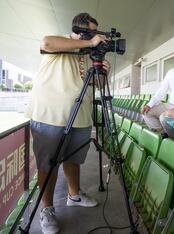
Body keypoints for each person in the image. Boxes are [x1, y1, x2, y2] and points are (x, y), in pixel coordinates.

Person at [25, 13, 111, 234]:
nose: (97, 38)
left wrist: (102, 72)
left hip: (79, 116)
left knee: (73, 159)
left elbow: (95, 85)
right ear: (80, 31)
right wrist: (89, 42)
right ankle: (47, 209)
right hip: (50, 114)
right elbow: (46, 42)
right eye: (92, 32)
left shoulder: (87, 55)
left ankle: (74, 195)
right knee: (48, 163)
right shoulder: (62, 41)